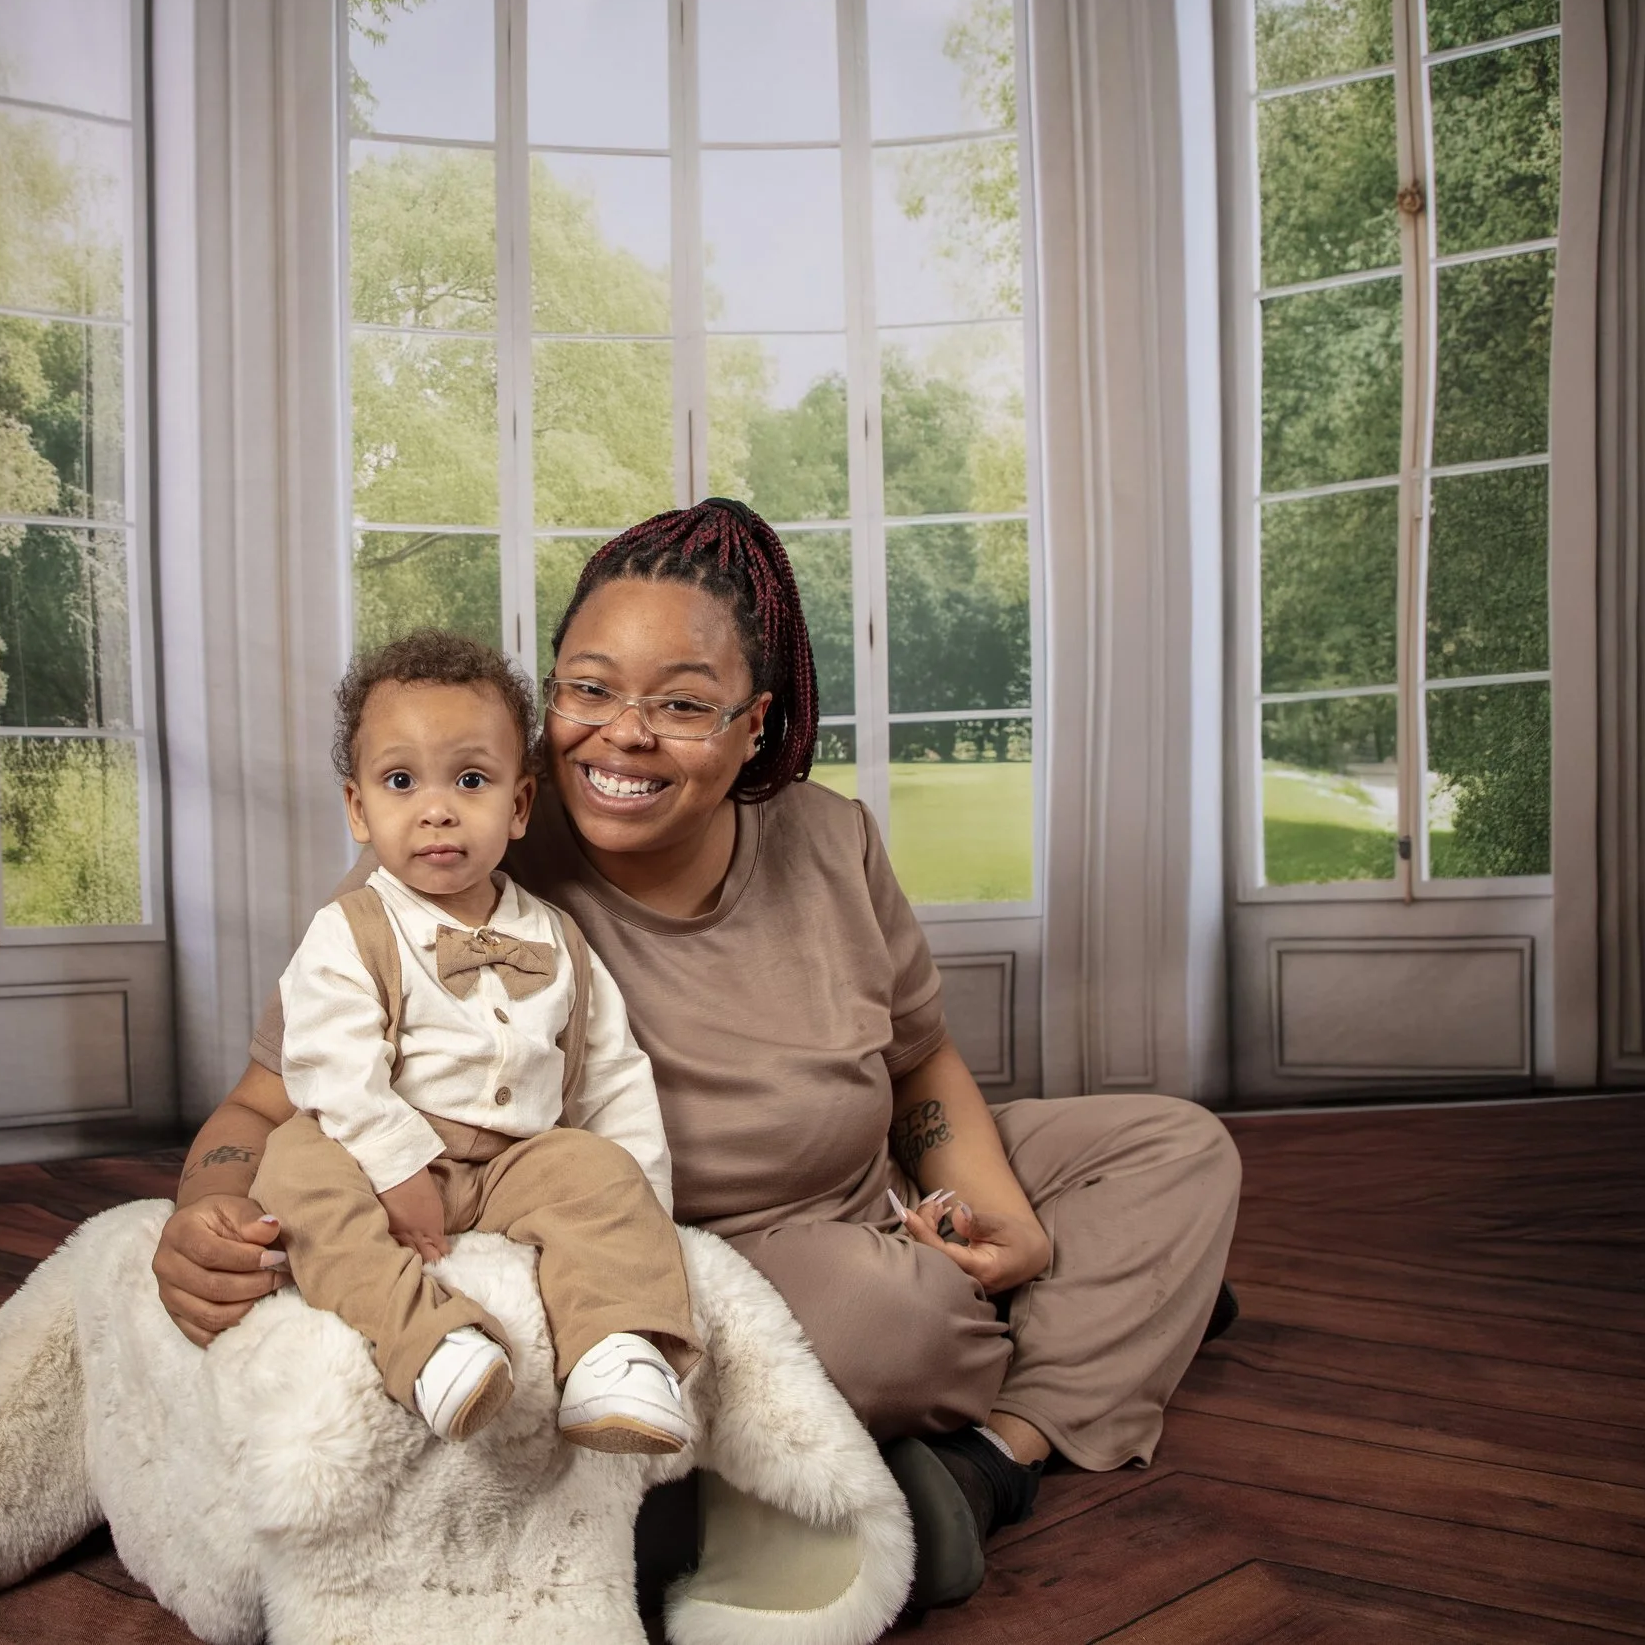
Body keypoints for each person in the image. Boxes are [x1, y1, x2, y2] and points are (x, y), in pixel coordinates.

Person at [155, 498, 1243, 1610]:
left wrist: (996, 1210)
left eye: (679, 703)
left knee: (1175, 1148)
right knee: (880, 1326)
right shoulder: (460, 852)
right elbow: (263, 1105)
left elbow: (921, 1062)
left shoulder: (830, 836)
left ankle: (992, 1454)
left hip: (880, 1187)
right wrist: (201, 1210)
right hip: (716, 1252)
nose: (621, 733)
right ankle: (1082, 1332)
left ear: (754, 722)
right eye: (586, 688)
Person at [255, 628, 701, 1453]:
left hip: (512, 1163)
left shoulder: (561, 939)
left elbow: (612, 1076)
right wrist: (395, 1165)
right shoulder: (349, 928)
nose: (437, 808)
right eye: (400, 780)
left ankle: (616, 1347)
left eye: (471, 779)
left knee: (598, 1166)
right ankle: (427, 1341)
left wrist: (638, 1211)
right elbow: (331, 1062)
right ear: (358, 807)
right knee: (294, 1167)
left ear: (519, 804)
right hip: (378, 1149)